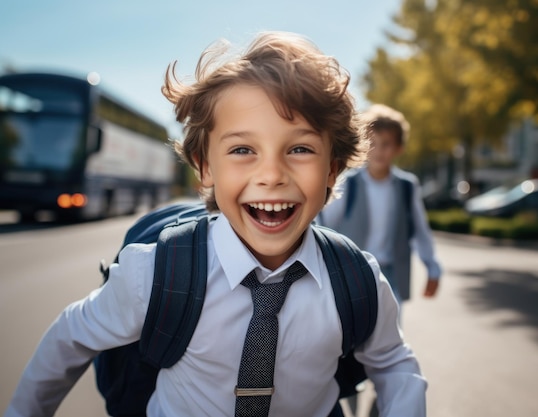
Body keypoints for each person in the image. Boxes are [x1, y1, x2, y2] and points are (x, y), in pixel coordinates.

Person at [5, 32, 427, 417]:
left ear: (333, 170)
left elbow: (392, 361)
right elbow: (70, 338)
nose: (271, 174)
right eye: (243, 149)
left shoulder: (357, 280)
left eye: (299, 148)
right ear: (206, 168)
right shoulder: (156, 272)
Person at [318, 104, 442, 417]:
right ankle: (349, 395)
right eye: (373, 142)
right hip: (350, 275)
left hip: (390, 276)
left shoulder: (406, 186)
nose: (379, 150)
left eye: (386, 144)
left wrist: (432, 266)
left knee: (387, 344)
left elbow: (421, 230)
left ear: (397, 148)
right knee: (347, 342)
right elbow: (323, 221)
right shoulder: (350, 183)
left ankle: (383, 402)